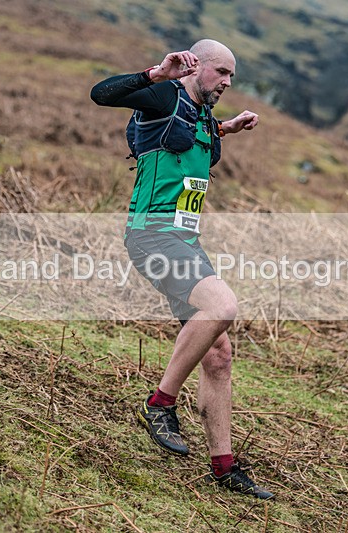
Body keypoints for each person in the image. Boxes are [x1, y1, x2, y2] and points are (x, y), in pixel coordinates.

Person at [90, 39, 273, 499]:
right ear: (196, 67)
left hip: (186, 242)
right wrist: (155, 73)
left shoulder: (203, 116)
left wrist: (225, 129)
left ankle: (225, 467)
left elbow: (187, 146)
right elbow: (101, 93)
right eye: (222, 72)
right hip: (152, 237)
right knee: (224, 305)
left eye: (232, 75)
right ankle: (159, 403)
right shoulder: (164, 95)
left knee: (219, 356)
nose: (228, 82)